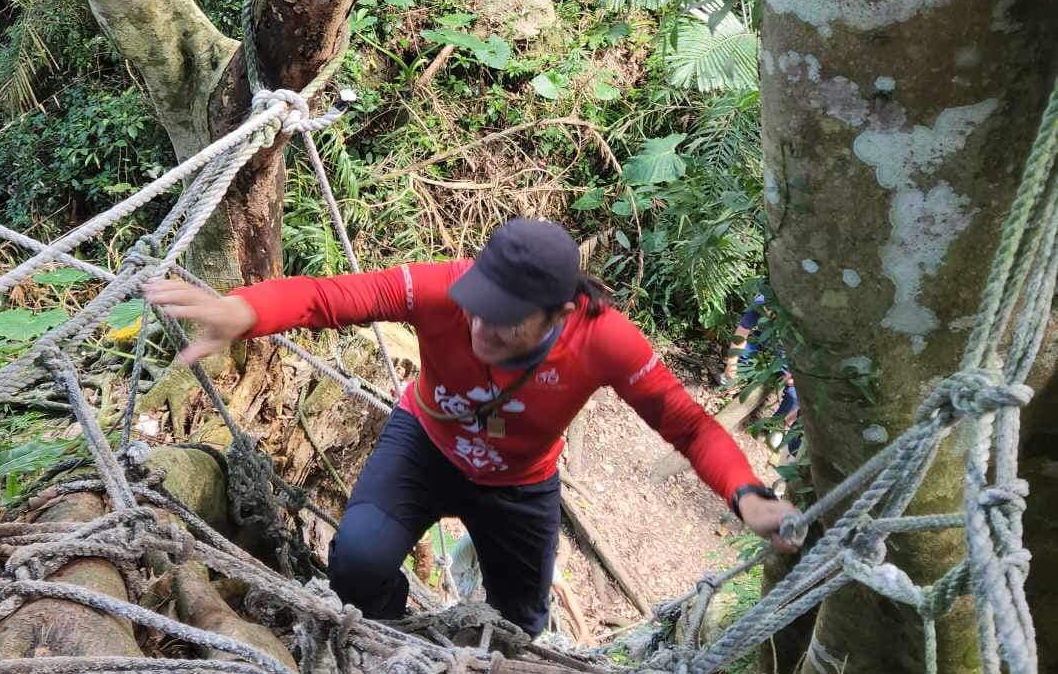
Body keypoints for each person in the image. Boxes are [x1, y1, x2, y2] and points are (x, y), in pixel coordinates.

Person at [144, 217, 787, 638]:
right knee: (358, 564)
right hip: (425, 445)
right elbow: (328, 297)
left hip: (520, 483)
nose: (481, 328)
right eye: (479, 307)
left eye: (506, 320)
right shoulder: (442, 288)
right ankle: (397, 645)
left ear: (558, 314)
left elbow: (688, 426)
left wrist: (746, 494)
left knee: (519, 626)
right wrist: (244, 310)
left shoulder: (604, 341)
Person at [722, 292, 800, 454]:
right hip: (764, 344)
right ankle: (734, 383)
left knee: (794, 395)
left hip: (789, 356)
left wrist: (796, 373)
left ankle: (776, 425)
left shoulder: (802, 314)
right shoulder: (762, 301)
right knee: (742, 353)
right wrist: (731, 363)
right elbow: (742, 331)